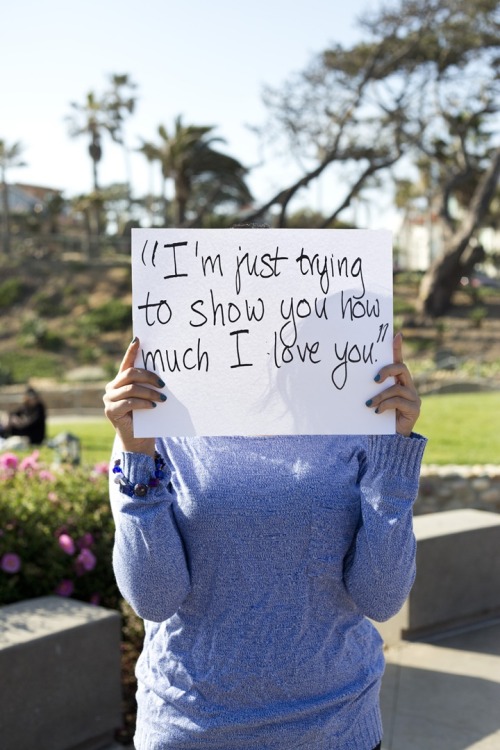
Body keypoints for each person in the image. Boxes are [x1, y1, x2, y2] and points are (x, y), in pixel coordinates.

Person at [104, 332, 425, 750]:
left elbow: (381, 598)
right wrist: (136, 453)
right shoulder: (154, 420)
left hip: (336, 729)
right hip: (192, 729)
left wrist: (393, 454)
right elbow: (155, 598)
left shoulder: (357, 409)